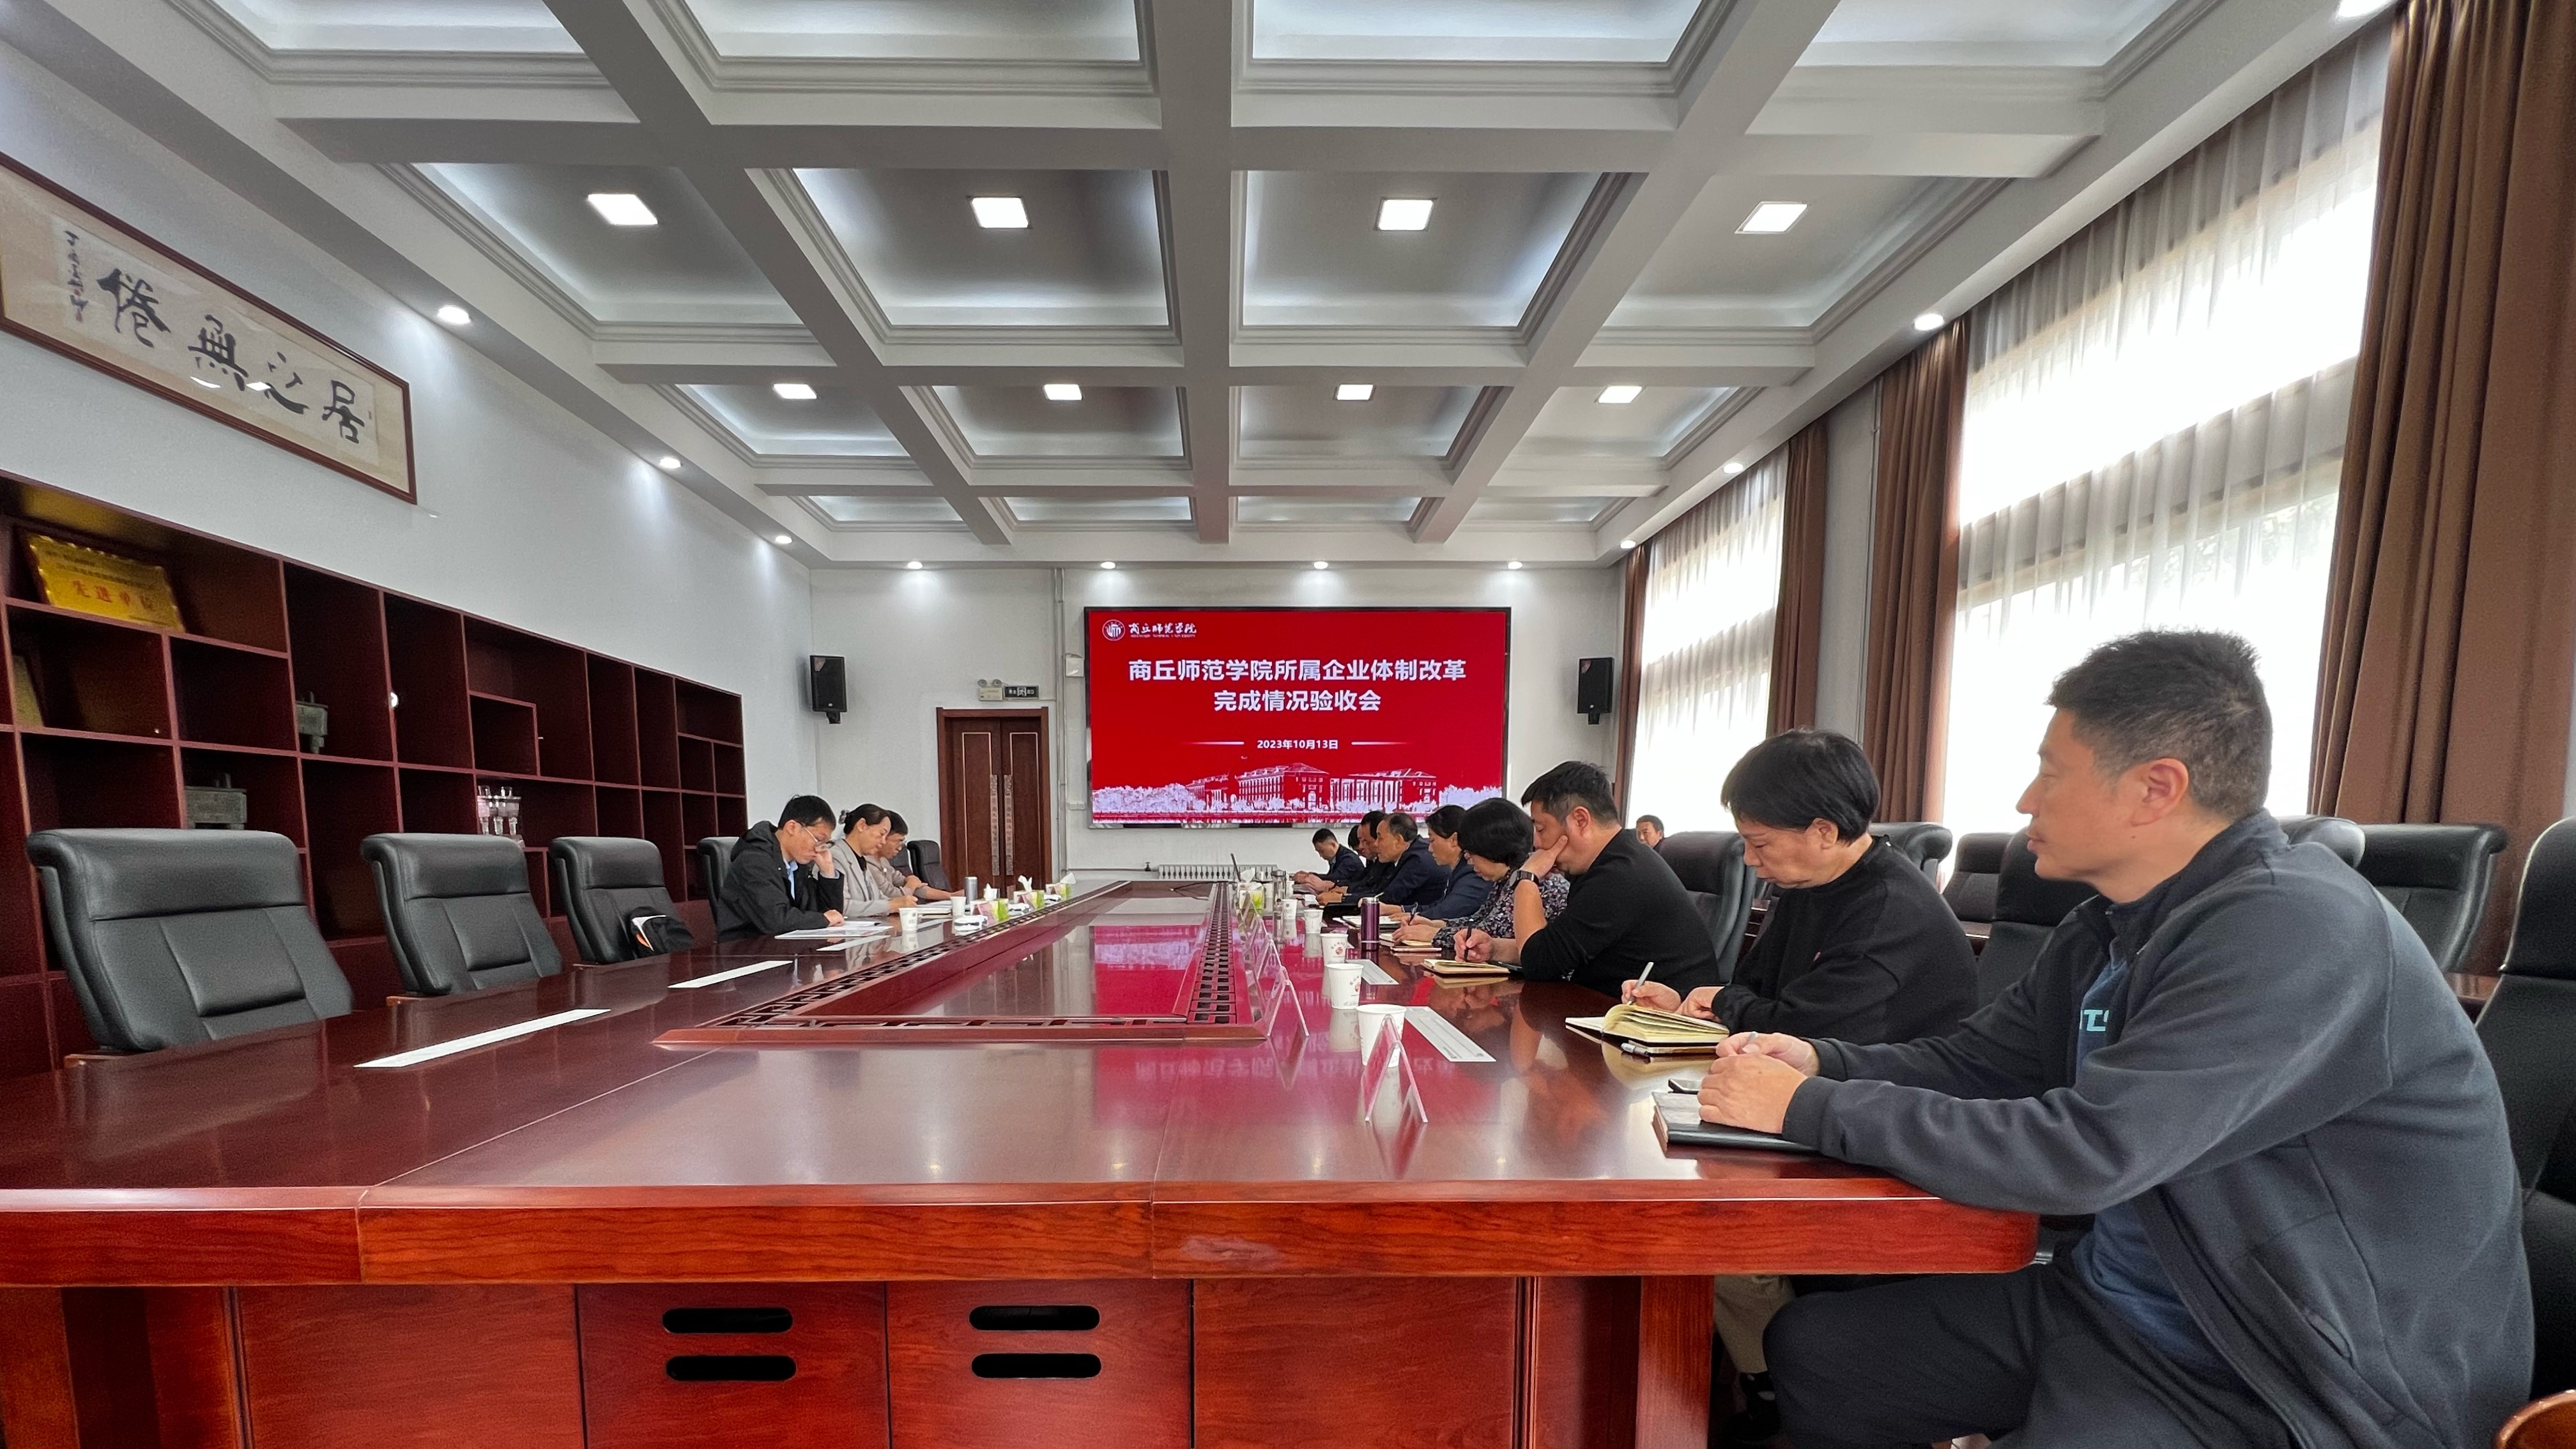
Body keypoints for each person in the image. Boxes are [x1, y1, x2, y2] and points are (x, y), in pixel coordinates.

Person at [1695, 631, 2529, 1449]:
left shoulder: (2291, 925)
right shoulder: (2108, 926)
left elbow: (2090, 1151)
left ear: (2155, 789)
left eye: (2051, 773)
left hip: (2284, 1367)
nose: (2026, 801)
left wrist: (1809, 1108)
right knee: (1821, 1354)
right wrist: (1822, 1061)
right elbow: (1978, 1061)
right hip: (2125, 1300)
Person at [1622, 729, 1977, 1442]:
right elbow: (1758, 995)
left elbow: (1801, 1028)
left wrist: (1727, 1005)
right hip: (1818, 1107)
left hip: (1886, 1137)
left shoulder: (1887, 911)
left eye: (1759, 843)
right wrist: (1706, 1002)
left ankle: (1770, 1390)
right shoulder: (1809, 887)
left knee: (1698, 1218)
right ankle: (1749, 1381)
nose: (1750, 860)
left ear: (1823, 830)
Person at [1457, 761, 1719, 997]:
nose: (1537, 843)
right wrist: (1494, 949)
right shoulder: (1610, 862)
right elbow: (1557, 949)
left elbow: (1539, 963)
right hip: (1608, 1008)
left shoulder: (1620, 876)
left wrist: (1526, 877)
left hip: (1662, 1022)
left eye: (1541, 828)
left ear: (1580, 820)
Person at [1400, 797, 1569, 955]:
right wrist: (1437, 924)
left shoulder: (1534, 877)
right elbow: (1480, 920)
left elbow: (1493, 933)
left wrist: (1435, 934)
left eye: (1471, 852)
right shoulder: (1508, 876)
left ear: (1490, 847)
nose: (1468, 859)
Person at [716, 794, 844, 940]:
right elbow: (776, 920)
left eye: (825, 844)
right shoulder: (754, 861)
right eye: (818, 840)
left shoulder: (798, 865)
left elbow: (832, 915)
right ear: (792, 827)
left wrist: (828, 872)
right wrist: (823, 920)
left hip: (785, 946)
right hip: (747, 947)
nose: (819, 849)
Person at [1407, 804, 1491, 926]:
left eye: (1432, 840)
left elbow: (1448, 911)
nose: (1430, 849)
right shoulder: (1459, 869)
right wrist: (1407, 912)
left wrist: (1416, 918)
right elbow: (1440, 905)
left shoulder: (1473, 871)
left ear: (1454, 840)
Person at [831, 804, 912, 918]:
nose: (883, 841)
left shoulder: (861, 859)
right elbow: (842, 907)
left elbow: (877, 897)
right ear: (862, 825)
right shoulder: (834, 856)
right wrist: (891, 905)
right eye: (882, 834)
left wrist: (899, 904)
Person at [882, 813, 954, 902]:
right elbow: (892, 896)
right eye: (898, 841)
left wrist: (952, 896)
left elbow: (914, 886)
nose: (900, 848)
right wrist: (911, 885)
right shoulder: (870, 864)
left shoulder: (883, 862)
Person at [1294, 827, 1367, 893]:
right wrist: (1310, 876)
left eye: (1322, 851)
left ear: (1333, 845)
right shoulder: (1335, 858)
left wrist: (1309, 877)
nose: (1321, 856)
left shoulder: (1349, 859)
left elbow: (1334, 880)